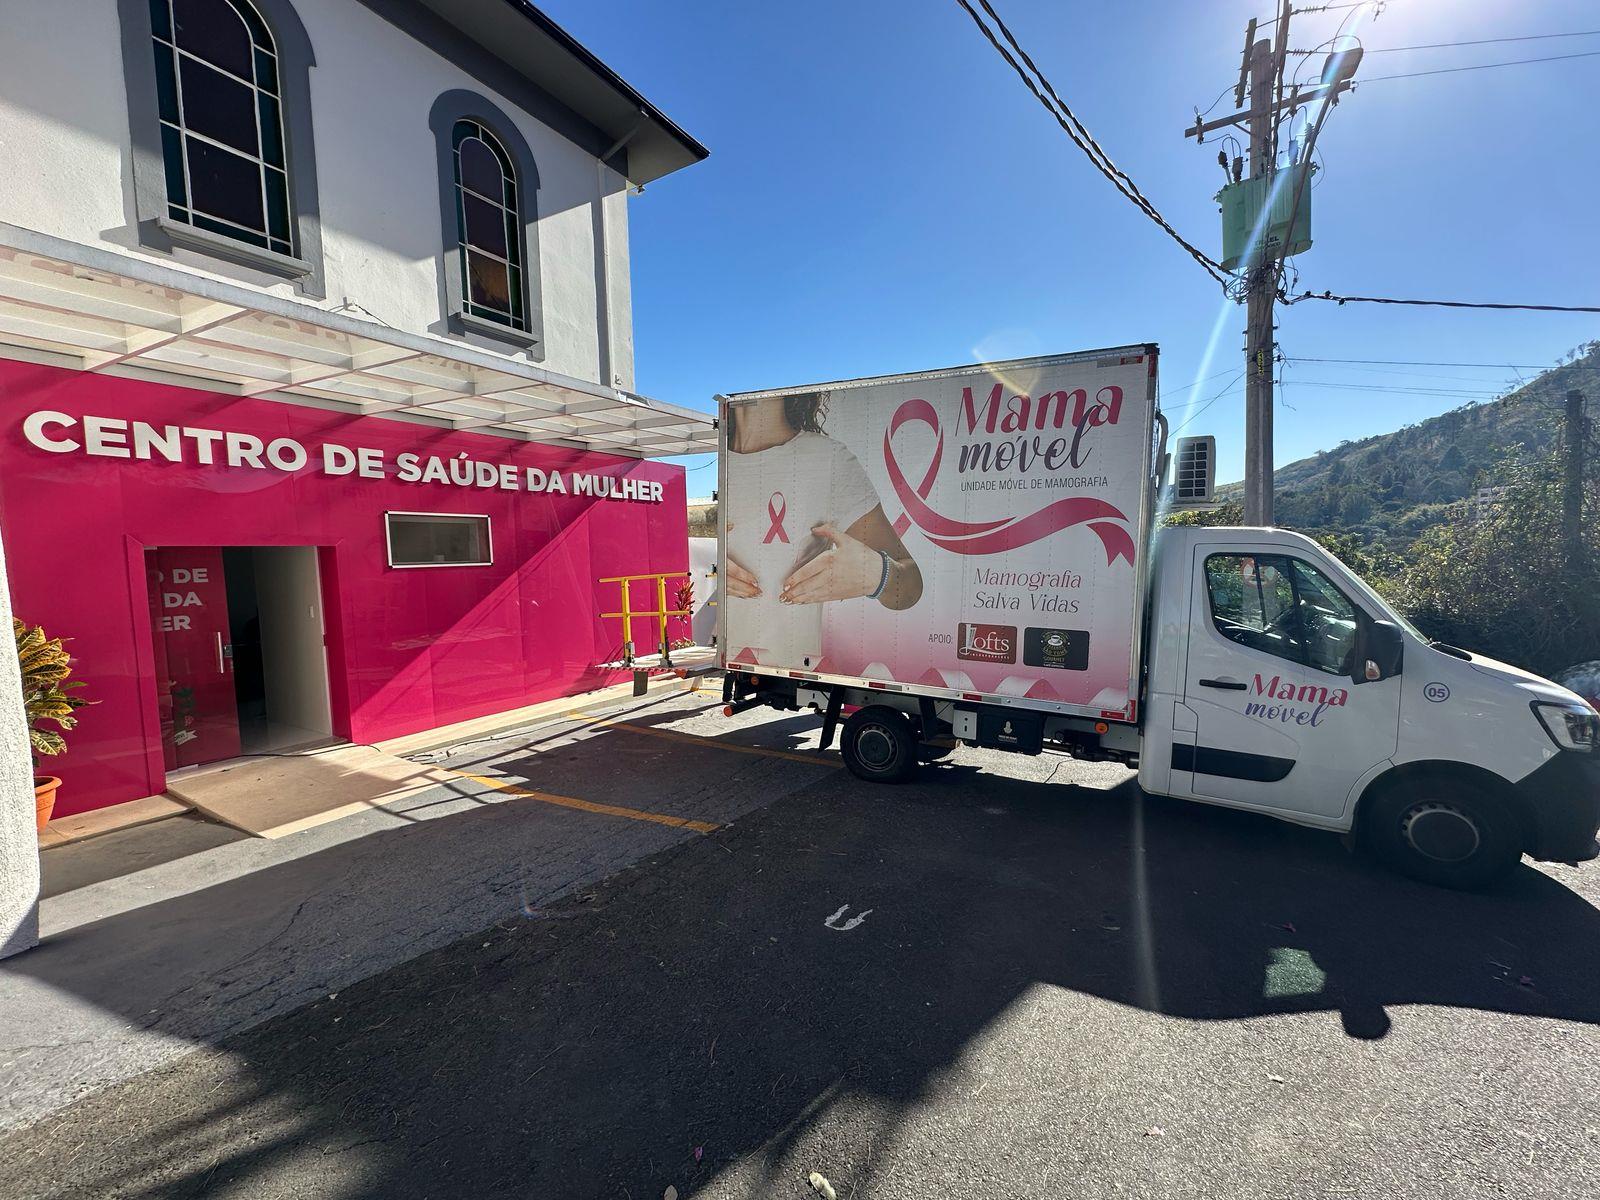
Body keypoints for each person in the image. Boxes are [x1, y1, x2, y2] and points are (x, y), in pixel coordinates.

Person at [724, 392, 922, 616]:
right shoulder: (711, 457)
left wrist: (878, 574)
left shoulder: (826, 458)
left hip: (795, 640)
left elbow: (910, 587)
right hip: (711, 637)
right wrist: (707, 569)